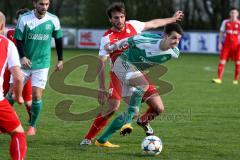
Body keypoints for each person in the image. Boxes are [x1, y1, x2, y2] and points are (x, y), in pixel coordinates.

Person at [80, 2, 184, 146]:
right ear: (110, 20)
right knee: (112, 107)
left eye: (122, 17)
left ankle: (141, 121)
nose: (120, 20)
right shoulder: (107, 37)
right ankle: (89, 137)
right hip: (119, 70)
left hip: (136, 70)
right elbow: (101, 62)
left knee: (158, 108)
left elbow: (153, 23)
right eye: (116, 18)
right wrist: (101, 87)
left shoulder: (133, 25)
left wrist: (172, 20)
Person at [12, 0, 63, 136]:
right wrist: (22, 57)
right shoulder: (24, 19)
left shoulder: (53, 20)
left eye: (46, 4)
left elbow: (58, 40)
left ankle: (32, 126)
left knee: (36, 95)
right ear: (35, 4)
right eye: (41, 4)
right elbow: (19, 40)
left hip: (42, 64)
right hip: (24, 64)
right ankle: (4, 121)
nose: (44, 7)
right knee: (12, 94)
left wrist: (60, 60)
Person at [0, 11, 27, 159]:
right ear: (2, 26)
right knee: (18, 133)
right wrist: (18, 96)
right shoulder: (7, 44)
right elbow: (18, 76)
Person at [4, 8, 32, 123]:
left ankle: (32, 120)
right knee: (4, 94)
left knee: (28, 99)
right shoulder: (9, 32)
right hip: (8, 68)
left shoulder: (32, 34)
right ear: (16, 20)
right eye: (19, 18)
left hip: (24, 69)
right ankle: (8, 119)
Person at [212, 7, 240, 84]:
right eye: (232, 13)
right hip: (227, 45)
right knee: (222, 61)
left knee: (238, 62)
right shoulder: (225, 22)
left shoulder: (239, 23)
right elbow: (221, 33)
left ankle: (235, 80)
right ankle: (219, 78)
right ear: (229, 14)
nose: (233, 14)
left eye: (235, 13)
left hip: (237, 46)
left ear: (237, 14)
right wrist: (219, 42)